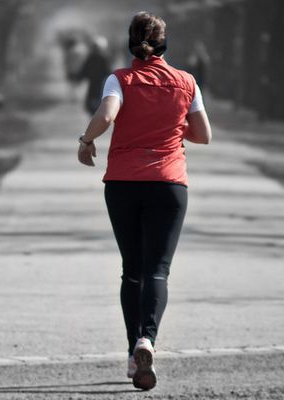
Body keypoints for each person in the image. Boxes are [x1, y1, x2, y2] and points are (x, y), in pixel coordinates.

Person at [77, 11, 211, 391]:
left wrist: (86, 141)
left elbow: (107, 114)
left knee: (131, 270)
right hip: (169, 185)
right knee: (157, 270)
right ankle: (147, 341)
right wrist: (169, 122)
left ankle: (133, 354)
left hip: (122, 183)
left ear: (130, 42)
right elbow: (203, 135)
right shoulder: (187, 81)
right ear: (164, 44)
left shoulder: (119, 79)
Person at [76, 35, 111, 115]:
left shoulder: (103, 58)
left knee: (98, 97)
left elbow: (108, 71)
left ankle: (97, 111)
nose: (95, 49)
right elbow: (85, 68)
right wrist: (80, 77)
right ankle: (93, 112)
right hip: (92, 81)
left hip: (101, 82)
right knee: (90, 100)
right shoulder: (91, 58)